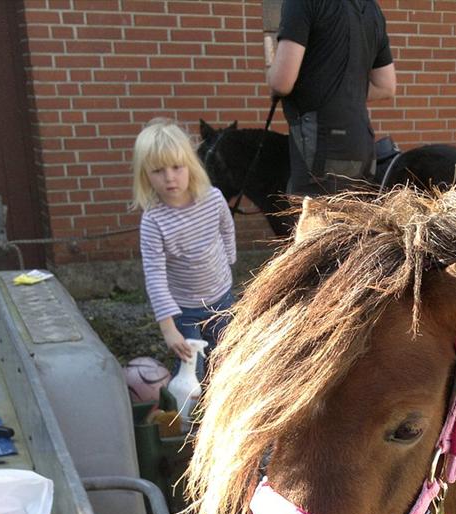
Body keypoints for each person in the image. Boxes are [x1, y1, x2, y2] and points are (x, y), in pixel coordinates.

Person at [130, 118, 236, 370]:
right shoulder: (153, 221)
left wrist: (230, 258)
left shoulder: (213, 199)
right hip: (183, 309)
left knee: (224, 360)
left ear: (190, 165)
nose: (170, 178)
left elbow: (226, 227)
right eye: (158, 171)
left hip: (221, 298)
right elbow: (155, 276)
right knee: (191, 368)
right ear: (145, 175)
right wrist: (168, 329)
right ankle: (190, 408)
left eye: (177, 167)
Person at [267, 0, 396, 196]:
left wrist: (271, 68)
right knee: (354, 225)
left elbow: (281, 83)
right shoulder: (372, 8)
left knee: (317, 225)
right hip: (362, 144)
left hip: (320, 149)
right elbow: (385, 86)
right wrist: (343, 90)